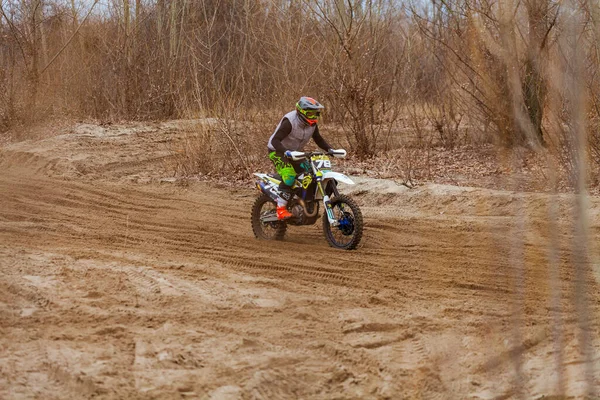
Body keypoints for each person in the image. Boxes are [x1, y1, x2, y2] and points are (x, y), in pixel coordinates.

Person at [267, 96, 338, 220]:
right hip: (277, 151)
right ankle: (280, 209)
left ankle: (302, 201)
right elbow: (275, 140)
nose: (314, 117)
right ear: (302, 112)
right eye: (310, 114)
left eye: (316, 114)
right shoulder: (289, 121)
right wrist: (286, 152)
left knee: (310, 174)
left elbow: (318, 139)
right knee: (289, 175)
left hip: (295, 153)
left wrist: (330, 150)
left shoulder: (312, 125)